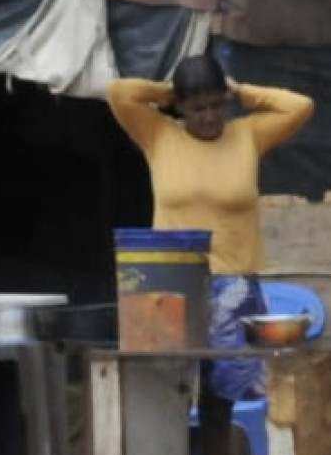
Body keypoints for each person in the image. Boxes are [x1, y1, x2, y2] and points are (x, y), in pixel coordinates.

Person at [106, 53, 317, 406]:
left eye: (216, 106)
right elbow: (119, 93)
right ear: (181, 108)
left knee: (227, 400)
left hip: (233, 287)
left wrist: (243, 92)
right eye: (197, 109)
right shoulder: (158, 134)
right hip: (170, 286)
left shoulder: (247, 136)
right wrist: (165, 92)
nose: (208, 117)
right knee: (167, 395)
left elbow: (301, 106)